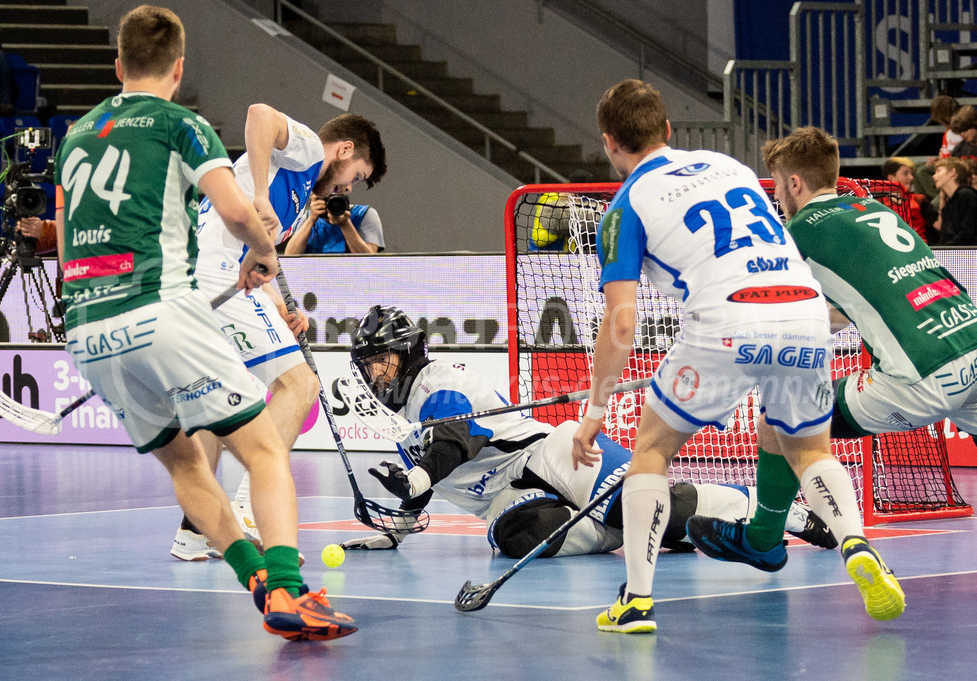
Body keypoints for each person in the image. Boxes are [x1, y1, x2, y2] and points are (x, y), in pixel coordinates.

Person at [53, 5, 355, 641]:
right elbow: (237, 211)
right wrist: (265, 252)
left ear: (118, 65)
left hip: (86, 324)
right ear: (179, 67)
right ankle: (292, 591)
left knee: (187, 464)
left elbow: (63, 246)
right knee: (266, 449)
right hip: (161, 308)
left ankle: (255, 578)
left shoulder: (76, 135)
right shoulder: (180, 123)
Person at [569, 80, 903, 634]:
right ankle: (857, 544)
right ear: (669, 130)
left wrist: (596, 408)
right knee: (809, 449)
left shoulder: (624, 207)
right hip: (802, 310)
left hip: (726, 321)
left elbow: (622, 322)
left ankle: (637, 602)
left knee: (650, 450)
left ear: (609, 143)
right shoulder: (729, 166)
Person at [690, 125, 977, 597]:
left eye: (778, 185)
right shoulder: (873, 210)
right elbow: (846, 309)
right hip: (968, 346)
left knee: (781, 423)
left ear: (794, 183)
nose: (778, 196)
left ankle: (763, 539)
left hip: (919, 378)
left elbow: (763, 313)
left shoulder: (797, 234)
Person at [339, 305, 836, 557]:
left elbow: (452, 445)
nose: (375, 375)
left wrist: (416, 480)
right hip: (507, 498)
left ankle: (777, 512)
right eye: (368, 366)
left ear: (407, 355)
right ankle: (642, 529)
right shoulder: (405, 427)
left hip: (546, 455)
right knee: (516, 538)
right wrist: (393, 533)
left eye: (381, 362)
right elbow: (420, 484)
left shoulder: (439, 386)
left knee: (635, 504)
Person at [177, 105, 387, 559]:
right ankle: (253, 507)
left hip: (215, 276)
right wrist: (258, 195)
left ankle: (196, 530)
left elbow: (259, 263)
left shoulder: (296, 203)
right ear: (344, 150)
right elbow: (256, 115)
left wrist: (279, 306)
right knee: (301, 384)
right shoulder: (309, 150)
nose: (349, 187)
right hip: (214, 271)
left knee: (221, 398)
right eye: (356, 174)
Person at [284, 194, 384, 253]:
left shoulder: (364, 214)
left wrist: (345, 224)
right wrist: (311, 220)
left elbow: (370, 261)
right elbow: (290, 257)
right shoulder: (307, 217)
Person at [914, 95, 963, 202]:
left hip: (953, 168)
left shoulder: (955, 132)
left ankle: (944, 198)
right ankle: (920, 201)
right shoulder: (948, 131)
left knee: (922, 171)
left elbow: (954, 160)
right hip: (946, 163)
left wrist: (937, 163)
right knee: (916, 167)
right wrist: (937, 161)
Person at [881, 156, 934, 241]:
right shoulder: (879, 205)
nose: (911, 178)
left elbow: (938, 226)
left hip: (922, 249)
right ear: (890, 178)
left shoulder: (921, 200)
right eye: (906, 173)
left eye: (911, 174)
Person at [932, 156, 977, 246]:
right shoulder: (949, 203)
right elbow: (945, 237)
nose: (933, 176)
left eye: (938, 171)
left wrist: (943, 250)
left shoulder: (967, 196)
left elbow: (967, 233)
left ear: (952, 172)